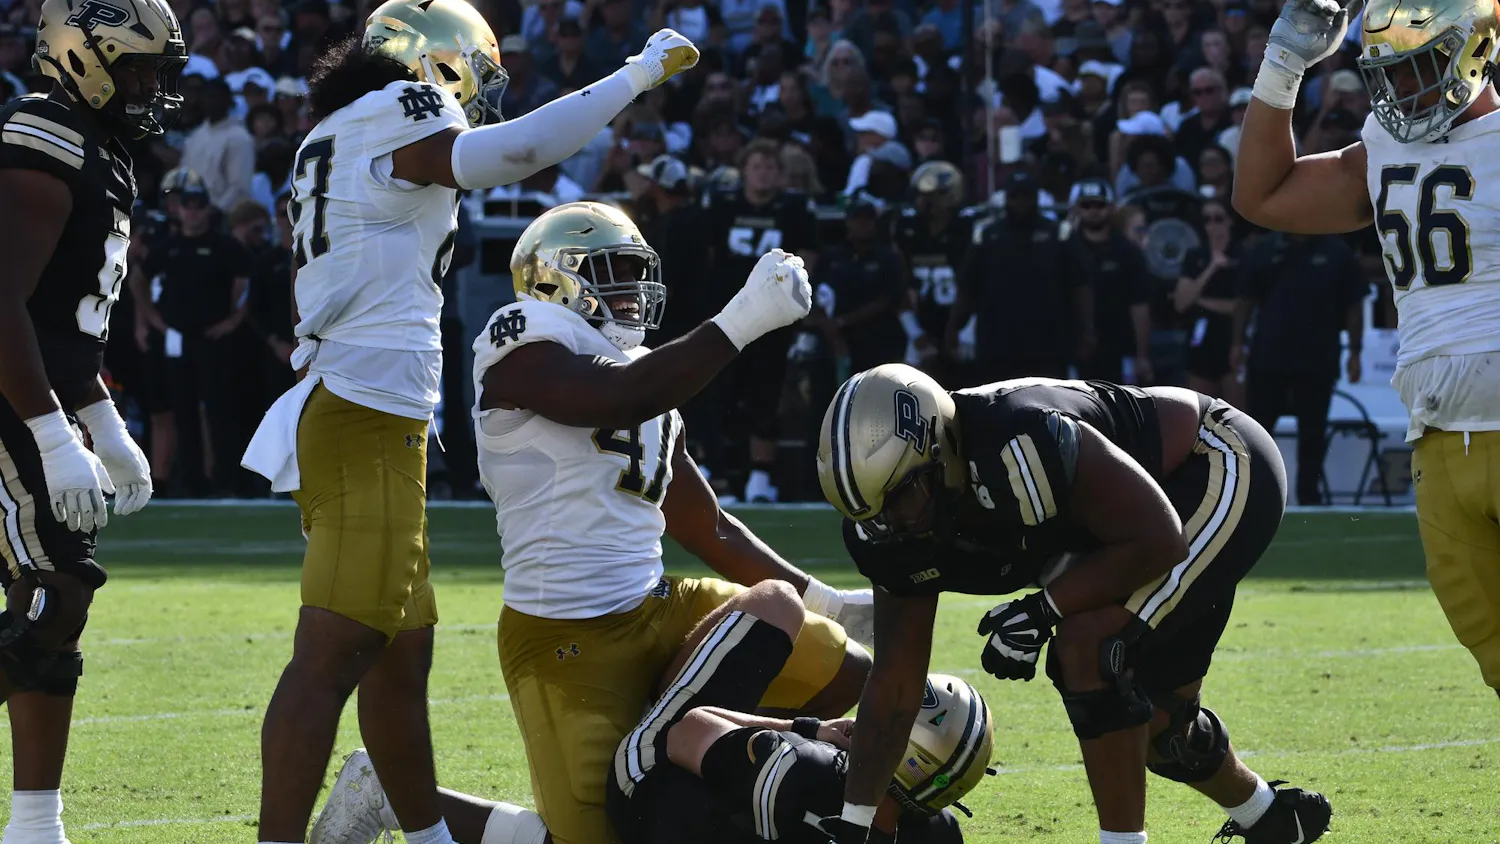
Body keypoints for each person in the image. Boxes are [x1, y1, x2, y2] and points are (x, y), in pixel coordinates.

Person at [237, 0, 704, 840]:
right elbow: (513, 152)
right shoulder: (396, 106)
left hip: (368, 406)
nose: (477, 95)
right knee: (336, 649)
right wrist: (634, 76)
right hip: (363, 407)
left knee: (401, 651)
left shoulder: (338, 128)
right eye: (474, 75)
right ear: (434, 63)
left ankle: (427, 836)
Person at [421, 201, 869, 844]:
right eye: (614, 272)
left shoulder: (648, 374)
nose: (633, 293)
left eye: (637, 273)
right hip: (565, 640)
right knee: (591, 838)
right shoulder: (522, 341)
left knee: (843, 671)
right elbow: (617, 397)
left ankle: (704, 783)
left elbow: (707, 525)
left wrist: (827, 601)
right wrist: (741, 320)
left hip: (659, 609)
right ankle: (391, 790)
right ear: (555, 278)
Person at [811, 364, 1333, 844]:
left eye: (903, 496)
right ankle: (1268, 818)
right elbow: (896, 687)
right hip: (1119, 533)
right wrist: (857, 826)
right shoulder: (887, 528)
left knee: (1089, 650)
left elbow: (1157, 539)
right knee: (1155, 726)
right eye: (873, 514)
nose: (894, 524)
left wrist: (1044, 611)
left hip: (1212, 465)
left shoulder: (1016, 441)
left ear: (941, 444)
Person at [1233, 0, 1500, 692]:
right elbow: (1261, 195)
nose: (1403, 91)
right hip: (1438, 439)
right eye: (1389, 74)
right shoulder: (1381, 149)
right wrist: (1284, 62)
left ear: (1473, 51)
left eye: (1419, 67)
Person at [313, 584, 971, 844]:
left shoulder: (930, 833)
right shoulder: (805, 769)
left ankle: (386, 793)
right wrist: (802, 730)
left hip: (711, 796)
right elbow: (688, 732)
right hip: (652, 772)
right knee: (780, 611)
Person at [0, 0, 180, 839]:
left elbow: (66, 323)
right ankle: (36, 826)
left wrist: (103, 425)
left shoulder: (97, 146)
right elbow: (1, 299)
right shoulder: (47, 130)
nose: (150, 84)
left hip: (32, 383)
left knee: (57, 591)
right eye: (137, 65)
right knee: (55, 588)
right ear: (82, 55)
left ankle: (37, 823)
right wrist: (48, 433)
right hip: (8, 392)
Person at [705, 139, 820, 502]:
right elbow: (712, 257)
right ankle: (723, 473)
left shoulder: (793, 208)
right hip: (732, 314)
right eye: (757, 165)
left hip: (773, 320)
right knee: (723, 392)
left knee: (766, 397)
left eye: (770, 166)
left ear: (781, 173)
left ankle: (759, 476)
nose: (763, 172)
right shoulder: (724, 205)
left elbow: (807, 258)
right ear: (744, 171)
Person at [893, 161, 978, 385]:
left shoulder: (966, 227)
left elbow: (978, 285)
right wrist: (914, 331)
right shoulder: (909, 227)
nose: (925, 202)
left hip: (961, 322)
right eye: (921, 195)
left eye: (932, 195)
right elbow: (900, 282)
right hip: (921, 321)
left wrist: (966, 330)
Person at [1067, 177, 1154, 385]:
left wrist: (1143, 355)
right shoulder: (1065, 248)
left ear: (1112, 207)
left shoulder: (1127, 252)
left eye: (1099, 204)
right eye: (1086, 205)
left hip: (1119, 348)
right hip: (1074, 349)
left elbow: (1140, 306)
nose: (1093, 210)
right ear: (1077, 209)